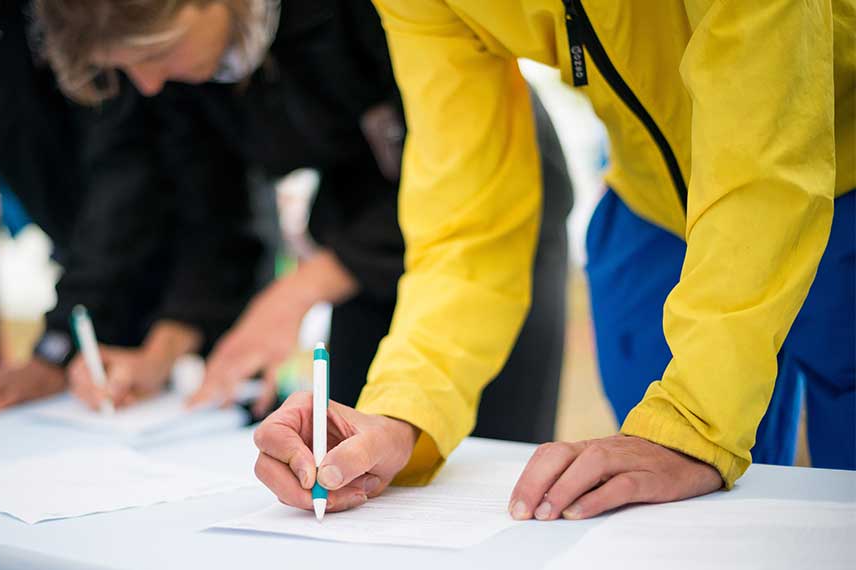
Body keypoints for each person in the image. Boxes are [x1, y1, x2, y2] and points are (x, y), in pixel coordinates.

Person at [249, 0, 855, 517]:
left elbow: (768, 135)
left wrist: (693, 424)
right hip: (651, 215)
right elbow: (468, 217)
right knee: (679, 533)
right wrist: (397, 411)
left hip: (839, 168)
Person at [37, 0, 574, 444]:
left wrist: (299, 291)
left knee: (485, 461)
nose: (148, 83)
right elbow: (216, 211)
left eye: (156, 52)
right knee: (348, 450)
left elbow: (469, 178)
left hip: (497, 219)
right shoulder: (182, 74)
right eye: (126, 67)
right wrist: (164, 349)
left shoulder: (367, 13)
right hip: (360, 243)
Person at [0, 0, 259, 418]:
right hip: (90, 258)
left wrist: (57, 346)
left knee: (230, 403)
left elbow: (127, 171)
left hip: (201, 242)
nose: (148, 81)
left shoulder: (90, 29)